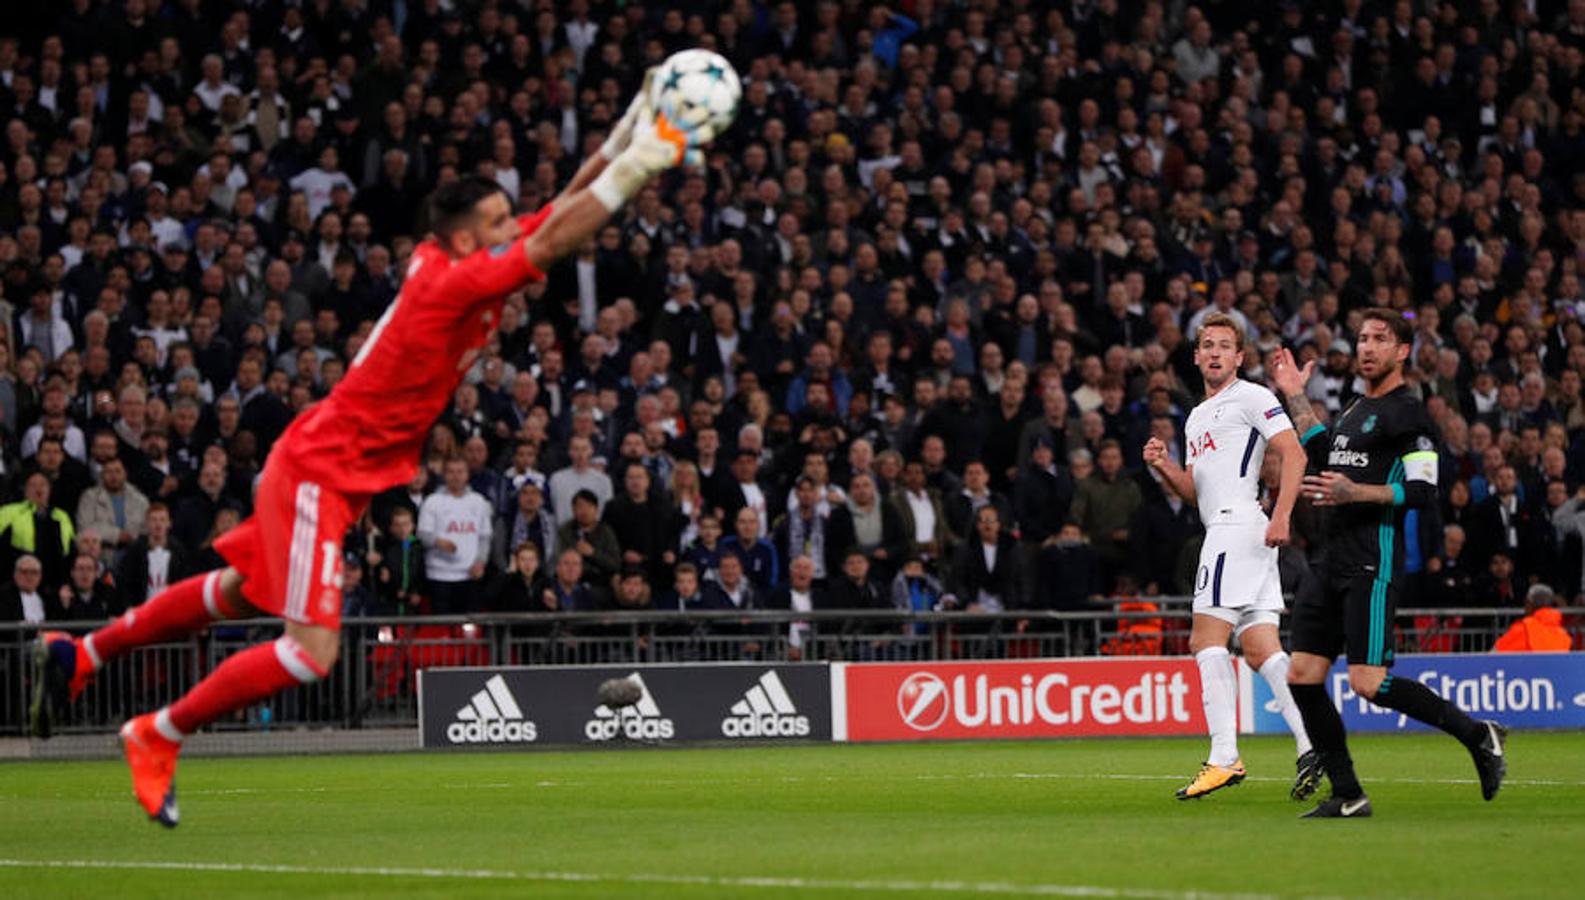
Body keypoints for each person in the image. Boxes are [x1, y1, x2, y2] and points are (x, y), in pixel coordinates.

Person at [30, 89, 721, 826]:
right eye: (495, 224)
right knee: (310, 652)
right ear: (464, 238)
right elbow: (552, 241)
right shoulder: (455, 281)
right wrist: (647, 163)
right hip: (318, 474)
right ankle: (156, 733)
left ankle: (85, 654)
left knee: (233, 593)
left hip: (328, 467)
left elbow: (552, 215)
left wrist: (622, 137)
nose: (509, 231)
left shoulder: (450, 258)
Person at [1270, 308, 1507, 818]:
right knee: (1303, 676)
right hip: (1328, 561)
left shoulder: (1410, 413)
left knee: (1366, 681)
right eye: (1361, 338)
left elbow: (1423, 490)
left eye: (1380, 338)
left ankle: (1477, 733)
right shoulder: (1355, 409)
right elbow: (1321, 448)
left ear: (1403, 351)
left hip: (1370, 562)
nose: (1367, 347)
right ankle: (1348, 793)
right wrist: (1292, 392)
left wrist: (1356, 491)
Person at [1142, 313, 1319, 801]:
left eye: (1225, 345)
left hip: (1237, 525)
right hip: (1226, 525)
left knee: (1205, 642)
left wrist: (1283, 514)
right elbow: (1192, 491)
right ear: (1196, 356)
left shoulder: (1254, 396)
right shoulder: (1197, 416)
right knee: (1263, 649)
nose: (1215, 352)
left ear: (1239, 357)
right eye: (1207, 345)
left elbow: (1295, 453)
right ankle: (1312, 741)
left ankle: (1224, 756)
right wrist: (1163, 466)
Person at [417, 457, 494, 615]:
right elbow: (422, 534)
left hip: (469, 576)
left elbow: (485, 536)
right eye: (451, 472)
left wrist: (481, 561)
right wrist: (438, 542)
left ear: (467, 475)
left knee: (468, 628)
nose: (456, 476)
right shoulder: (433, 501)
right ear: (444, 475)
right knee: (442, 628)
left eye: (460, 472)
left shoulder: (478, 502)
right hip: (439, 575)